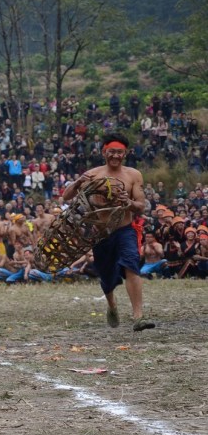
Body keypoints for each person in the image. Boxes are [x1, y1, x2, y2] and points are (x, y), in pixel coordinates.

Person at [62, 132, 154, 331]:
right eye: (111, 152)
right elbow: (66, 197)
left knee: (131, 265)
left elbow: (141, 206)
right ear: (104, 152)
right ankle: (112, 306)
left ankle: (138, 317)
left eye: (119, 152)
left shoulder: (133, 175)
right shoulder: (93, 175)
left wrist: (128, 202)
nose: (115, 156)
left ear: (125, 153)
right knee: (107, 277)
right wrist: (78, 183)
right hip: (100, 233)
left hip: (124, 230)